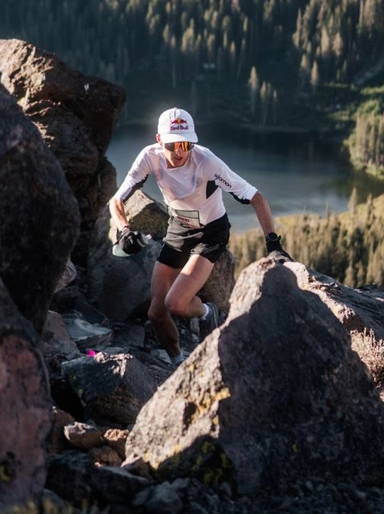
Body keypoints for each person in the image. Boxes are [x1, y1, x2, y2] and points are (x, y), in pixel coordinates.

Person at [109, 107, 290, 366]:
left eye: (186, 143)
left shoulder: (207, 162)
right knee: (156, 314)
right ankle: (178, 365)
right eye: (173, 144)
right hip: (179, 229)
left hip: (211, 232)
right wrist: (124, 229)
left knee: (176, 303)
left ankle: (207, 312)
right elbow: (116, 201)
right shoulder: (149, 157)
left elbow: (256, 198)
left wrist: (273, 244)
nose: (180, 151)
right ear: (160, 141)